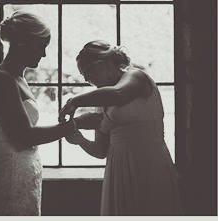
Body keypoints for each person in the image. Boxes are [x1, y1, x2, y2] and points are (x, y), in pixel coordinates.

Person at [60, 41, 182, 215]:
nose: (87, 80)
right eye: (83, 75)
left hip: (149, 163)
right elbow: (101, 150)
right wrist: (78, 136)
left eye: (88, 72)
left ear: (105, 64)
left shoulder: (137, 77)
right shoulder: (102, 97)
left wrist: (75, 101)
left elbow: (119, 94)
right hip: (118, 172)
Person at [0, 11, 77, 215]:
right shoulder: (2, 79)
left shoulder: (19, 78)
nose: (43, 54)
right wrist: (72, 126)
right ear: (23, 43)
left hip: (26, 175)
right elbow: (23, 137)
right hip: (10, 178)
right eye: (41, 46)